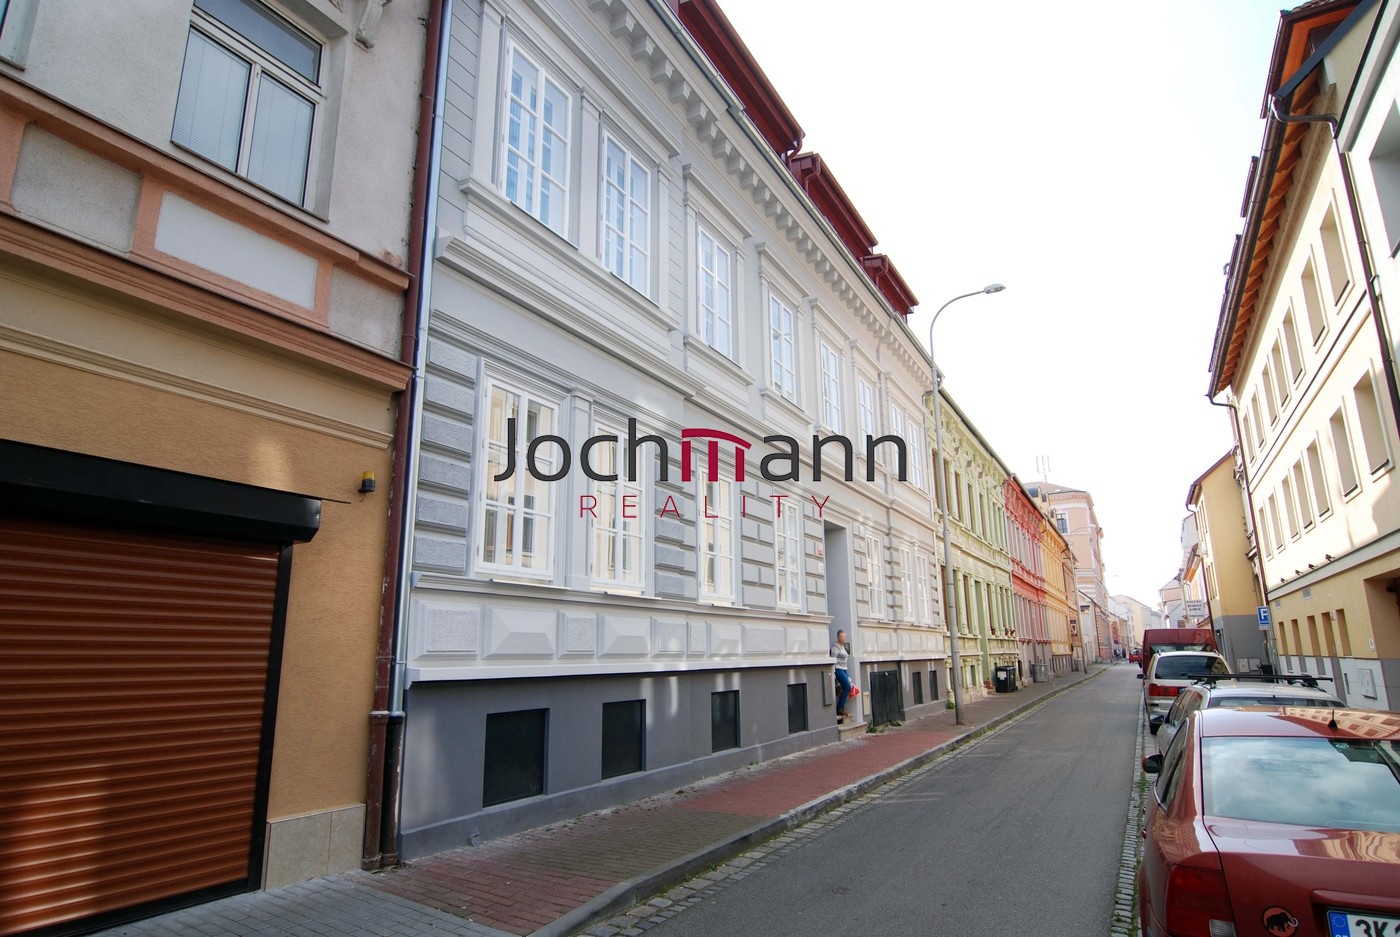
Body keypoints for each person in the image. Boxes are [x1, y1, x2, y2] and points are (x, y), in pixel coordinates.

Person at [831, 629, 851, 723]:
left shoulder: (843, 646)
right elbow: (833, 659)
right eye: (842, 637)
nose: (843, 638)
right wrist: (833, 672)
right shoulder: (836, 646)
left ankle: (841, 707)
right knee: (847, 687)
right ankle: (840, 707)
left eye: (844, 637)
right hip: (838, 669)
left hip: (844, 669)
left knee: (845, 687)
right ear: (838, 637)